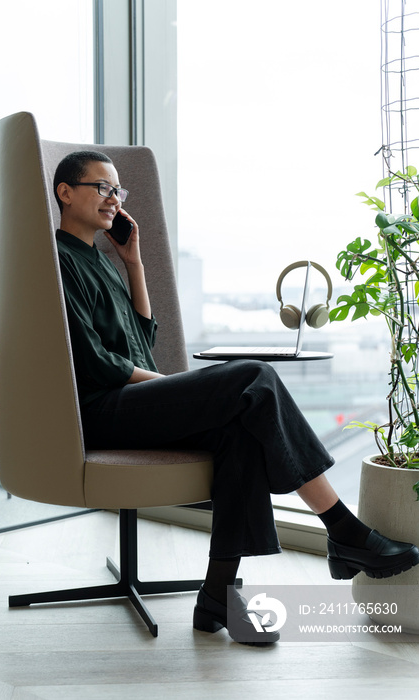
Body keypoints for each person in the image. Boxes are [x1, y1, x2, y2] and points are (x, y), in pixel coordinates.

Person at [53, 150, 419, 646]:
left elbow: (142, 339)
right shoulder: (59, 260)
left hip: (128, 402)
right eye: (103, 188)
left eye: (119, 191)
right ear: (65, 192)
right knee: (254, 377)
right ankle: (343, 529)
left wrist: (133, 261)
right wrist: (169, 387)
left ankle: (217, 596)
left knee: (239, 429)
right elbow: (96, 363)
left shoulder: (101, 258)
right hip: (102, 411)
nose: (114, 200)